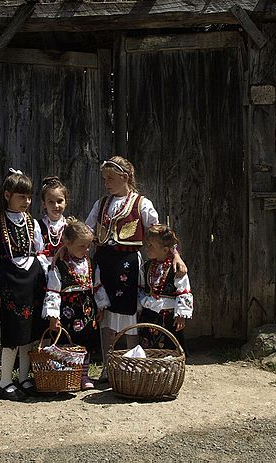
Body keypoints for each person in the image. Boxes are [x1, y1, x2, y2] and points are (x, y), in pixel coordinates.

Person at [85, 156, 187, 381]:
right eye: (104, 179)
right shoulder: (101, 204)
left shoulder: (142, 204)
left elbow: (162, 234)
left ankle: (133, 365)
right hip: (103, 264)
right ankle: (107, 366)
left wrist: (176, 256)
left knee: (128, 315)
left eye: (111, 178)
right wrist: (67, 248)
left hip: (128, 265)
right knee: (106, 316)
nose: (106, 183)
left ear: (126, 177)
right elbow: (87, 230)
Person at [0, 168, 47, 401]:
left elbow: (41, 253)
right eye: (22, 197)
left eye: (29, 197)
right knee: (13, 333)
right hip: (10, 282)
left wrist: (48, 281)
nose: (26, 202)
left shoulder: (33, 223)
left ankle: (24, 378)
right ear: (7, 195)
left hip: (32, 281)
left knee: (29, 333)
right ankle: (4, 381)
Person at [42, 219, 105, 390]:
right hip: (68, 311)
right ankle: (67, 375)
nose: (86, 250)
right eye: (81, 246)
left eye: (88, 246)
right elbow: (53, 291)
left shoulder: (90, 263)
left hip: (87, 310)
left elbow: (97, 286)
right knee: (67, 342)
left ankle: (83, 376)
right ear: (67, 244)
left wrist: (101, 306)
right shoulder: (58, 265)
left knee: (86, 342)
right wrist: (53, 316)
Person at [139, 224, 193, 355]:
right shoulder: (146, 267)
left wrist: (181, 316)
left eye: (151, 245)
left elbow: (183, 290)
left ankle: (169, 372)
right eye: (147, 244)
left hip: (168, 317)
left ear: (165, 250)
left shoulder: (176, 268)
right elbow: (141, 288)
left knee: (169, 346)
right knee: (149, 345)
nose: (147, 248)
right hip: (149, 314)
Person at [38, 176, 68, 265]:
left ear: (65, 202)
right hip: (42, 271)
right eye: (51, 202)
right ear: (44, 204)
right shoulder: (37, 226)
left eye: (59, 201)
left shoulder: (70, 227)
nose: (56, 206)